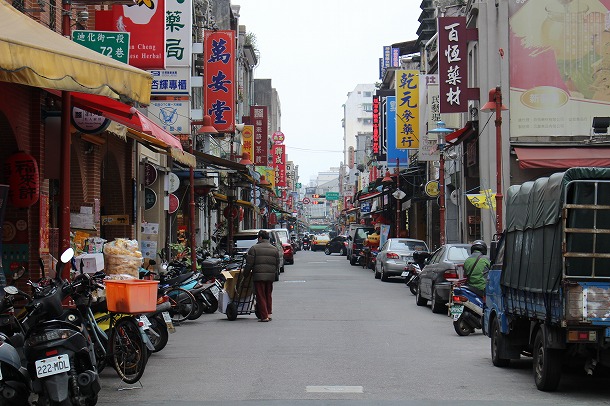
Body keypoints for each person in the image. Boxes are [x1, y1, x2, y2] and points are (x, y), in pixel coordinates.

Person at [242, 230, 280, 322]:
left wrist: (245, 274)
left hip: (258, 276)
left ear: (260, 238)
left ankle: (264, 316)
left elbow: (249, 264)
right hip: (270, 276)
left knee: (260, 295)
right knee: (268, 294)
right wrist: (273, 273)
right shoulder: (274, 249)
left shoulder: (254, 248)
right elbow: (277, 263)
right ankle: (269, 313)